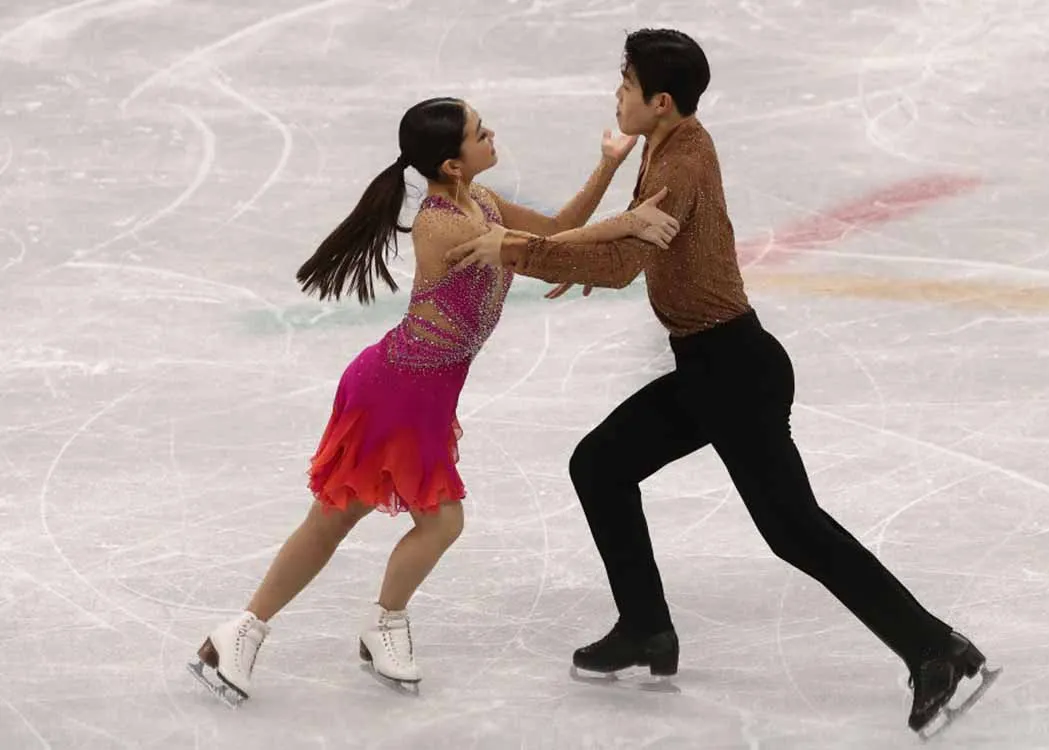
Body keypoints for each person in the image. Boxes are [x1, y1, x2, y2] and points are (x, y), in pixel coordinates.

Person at [445, 30, 998, 737]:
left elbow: (620, 264)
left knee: (794, 531)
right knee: (601, 464)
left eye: (625, 83)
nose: (617, 92)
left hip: (734, 371)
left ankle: (932, 649)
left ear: (661, 101)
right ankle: (647, 627)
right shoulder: (667, 142)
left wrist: (517, 252)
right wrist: (574, 257)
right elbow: (632, 246)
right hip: (707, 367)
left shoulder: (684, 159)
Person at [187, 96, 680, 707]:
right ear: (452, 164)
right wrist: (627, 224)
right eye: (479, 131)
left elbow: (554, 231)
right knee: (417, 519)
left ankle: (249, 632)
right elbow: (538, 251)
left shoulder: (485, 205)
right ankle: (359, 625)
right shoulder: (444, 224)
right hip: (394, 391)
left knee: (339, 520)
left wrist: (608, 167)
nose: (490, 131)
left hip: (420, 392)